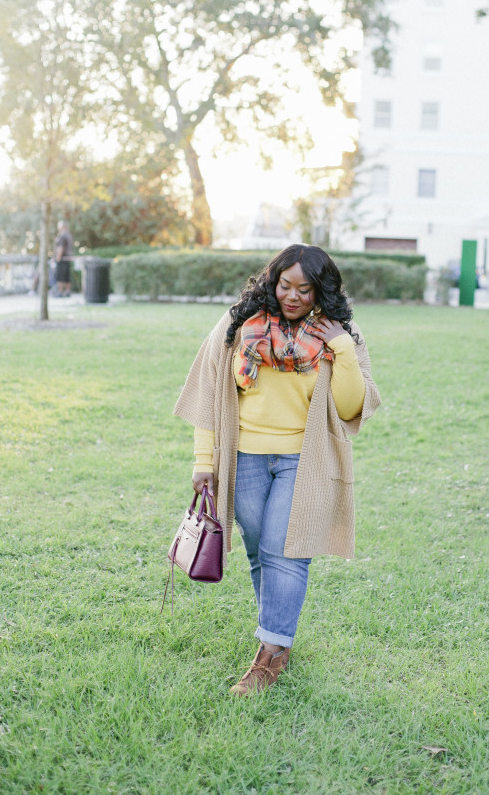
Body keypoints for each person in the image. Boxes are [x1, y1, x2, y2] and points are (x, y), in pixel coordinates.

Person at [173, 244, 380, 697]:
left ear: (321, 291)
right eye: (284, 285)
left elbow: (350, 406)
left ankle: (268, 656)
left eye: (304, 290)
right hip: (243, 456)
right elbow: (209, 394)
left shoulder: (340, 333)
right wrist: (203, 461)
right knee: (258, 551)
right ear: (272, 280)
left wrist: (341, 348)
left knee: (284, 550)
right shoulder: (237, 324)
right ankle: (279, 637)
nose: (292, 297)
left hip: (303, 460)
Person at [53, 220, 74, 297]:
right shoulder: (69, 235)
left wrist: (58, 258)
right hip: (68, 258)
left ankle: (60, 292)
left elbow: (60, 248)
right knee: (67, 276)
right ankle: (68, 291)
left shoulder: (62, 235)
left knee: (60, 276)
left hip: (62, 259)